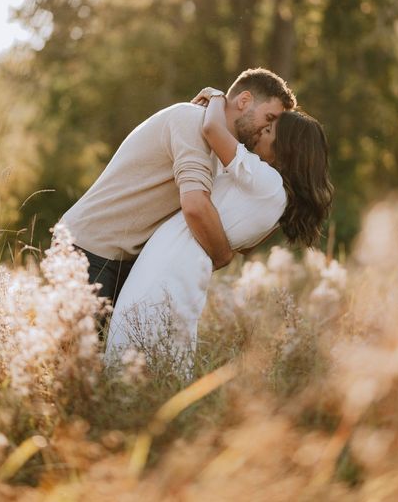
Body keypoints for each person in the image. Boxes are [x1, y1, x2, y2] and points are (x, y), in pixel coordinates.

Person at [105, 92, 333, 369]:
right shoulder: (276, 195)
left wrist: (216, 97)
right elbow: (244, 244)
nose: (261, 131)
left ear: (287, 149)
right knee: (163, 343)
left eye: (269, 130)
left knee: (139, 339)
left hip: (170, 264)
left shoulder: (265, 181)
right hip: (184, 264)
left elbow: (212, 128)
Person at [60, 68, 297, 309]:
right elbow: (195, 205)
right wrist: (223, 256)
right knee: (77, 347)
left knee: (115, 346)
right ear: (244, 101)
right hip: (90, 251)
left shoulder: (223, 154)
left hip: (124, 262)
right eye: (269, 119)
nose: (269, 131)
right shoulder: (192, 120)